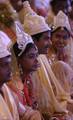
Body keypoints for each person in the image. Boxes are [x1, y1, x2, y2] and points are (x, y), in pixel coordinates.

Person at [23, 1, 73, 119]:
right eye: (46, 38)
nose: (50, 43)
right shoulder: (33, 62)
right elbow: (41, 104)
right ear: (34, 41)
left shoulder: (42, 58)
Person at [0, 30, 43, 120]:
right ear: (18, 60)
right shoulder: (13, 86)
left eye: (10, 63)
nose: (10, 68)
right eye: (5, 65)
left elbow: (27, 113)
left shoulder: (6, 89)